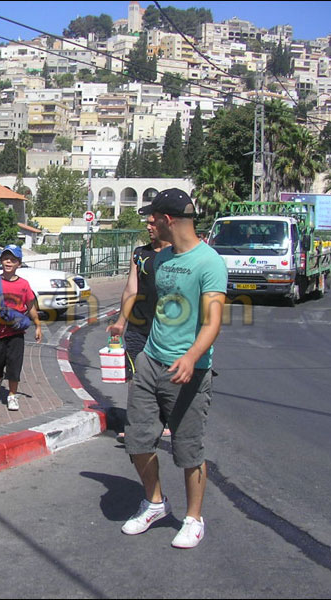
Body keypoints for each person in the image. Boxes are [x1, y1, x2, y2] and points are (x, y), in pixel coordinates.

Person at [120, 189, 227, 549]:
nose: (149, 222)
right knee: (137, 440)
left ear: (168, 220)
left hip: (190, 371)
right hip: (150, 361)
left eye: (153, 217)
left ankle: (194, 519)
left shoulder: (209, 262)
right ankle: (155, 503)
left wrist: (192, 356)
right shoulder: (162, 259)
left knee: (188, 450)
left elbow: (213, 321)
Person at [107, 216, 172, 442]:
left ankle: (163, 419)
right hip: (138, 327)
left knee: (164, 379)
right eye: (147, 222)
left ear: (166, 223)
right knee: (135, 377)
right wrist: (120, 322)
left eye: (153, 223)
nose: (148, 226)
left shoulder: (178, 255)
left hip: (167, 330)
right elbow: (131, 289)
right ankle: (135, 425)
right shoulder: (140, 254)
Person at [0, 244, 42, 412]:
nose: (8, 262)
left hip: (16, 333)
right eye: (5, 258)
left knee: (14, 365)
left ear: (19, 263)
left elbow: (31, 306)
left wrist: (38, 326)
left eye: (12, 259)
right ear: (1, 261)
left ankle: (12, 395)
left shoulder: (24, 285)